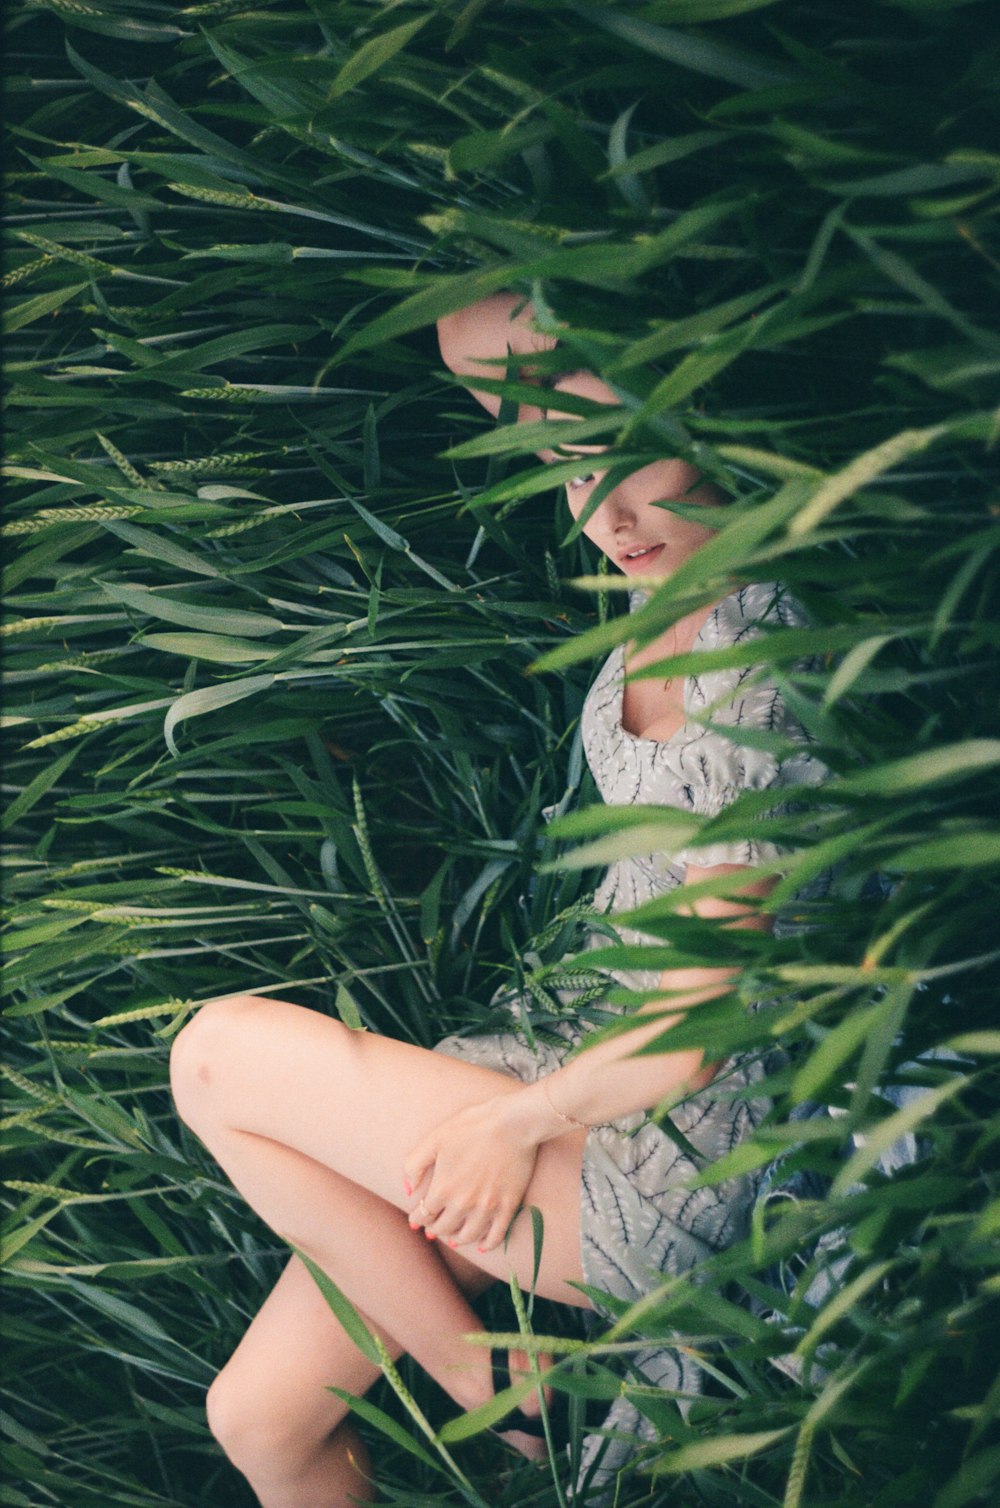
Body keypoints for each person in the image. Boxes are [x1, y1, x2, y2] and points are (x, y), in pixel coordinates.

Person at [169, 293, 819, 1508]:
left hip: (691, 1150)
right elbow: (474, 334)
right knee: (259, 1419)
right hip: (571, 1064)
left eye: (629, 456)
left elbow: (695, 1033)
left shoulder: (765, 659)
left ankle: (500, 1396)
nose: (605, 513)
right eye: (560, 462)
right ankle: (511, 1396)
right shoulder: (658, 587)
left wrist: (510, 1127)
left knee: (217, 1055)